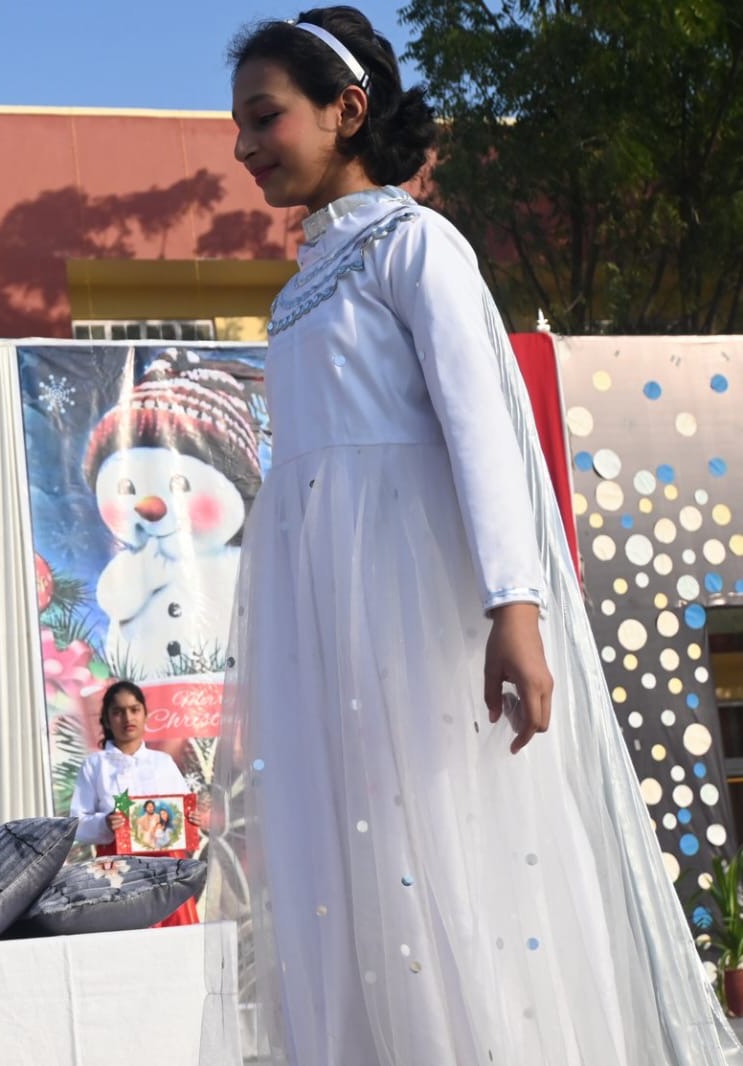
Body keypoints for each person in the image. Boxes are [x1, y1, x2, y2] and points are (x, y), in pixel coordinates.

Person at [222, 8, 743, 1063]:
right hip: (324, 612)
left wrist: (516, 607)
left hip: (413, 602)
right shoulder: (297, 291)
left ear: (347, 110)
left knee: (447, 844)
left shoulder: (414, 247)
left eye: (263, 117)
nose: (242, 146)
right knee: (356, 856)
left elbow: (484, 434)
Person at [70, 681, 206, 926]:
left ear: (145, 715)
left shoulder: (162, 762)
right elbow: (77, 823)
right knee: (131, 932)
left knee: (174, 931)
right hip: (118, 869)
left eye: (134, 710)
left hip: (167, 867)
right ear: (106, 719)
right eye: (118, 712)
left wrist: (191, 819)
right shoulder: (95, 765)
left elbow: (182, 812)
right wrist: (105, 823)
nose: (127, 718)